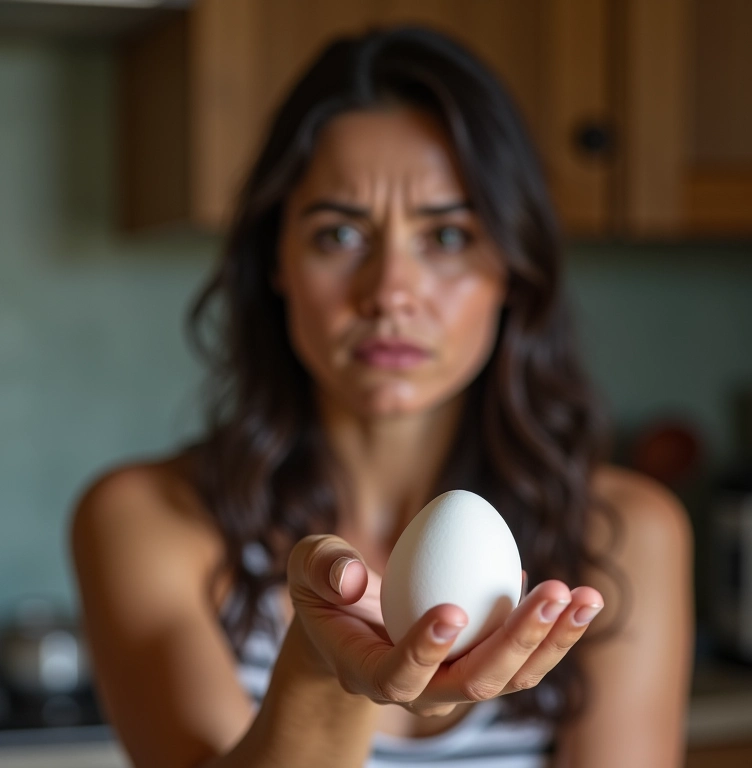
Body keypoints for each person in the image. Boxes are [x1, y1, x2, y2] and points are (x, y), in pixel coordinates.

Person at [70, 25, 693, 768]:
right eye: (339, 235)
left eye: (449, 237)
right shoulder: (147, 519)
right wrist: (320, 667)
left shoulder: (626, 534)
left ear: (512, 270)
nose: (391, 293)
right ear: (278, 262)